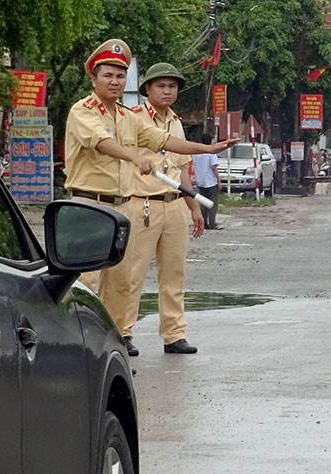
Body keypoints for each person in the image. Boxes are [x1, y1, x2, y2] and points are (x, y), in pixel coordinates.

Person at [64, 39, 238, 356]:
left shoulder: (128, 118)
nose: (115, 81)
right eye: (108, 75)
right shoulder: (83, 111)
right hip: (89, 204)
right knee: (85, 279)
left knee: (120, 281)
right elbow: (101, 143)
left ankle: (112, 342)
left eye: (120, 76)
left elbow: (165, 141)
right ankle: (71, 342)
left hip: (121, 206)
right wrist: (133, 156)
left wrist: (208, 149)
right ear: (94, 78)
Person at [124, 62, 204, 355]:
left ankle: (174, 334)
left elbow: (183, 169)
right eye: (161, 85)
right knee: (131, 273)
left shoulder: (176, 122)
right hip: (142, 204)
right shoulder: (132, 119)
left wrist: (193, 207)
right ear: (147, 89)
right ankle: (123, 332)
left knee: (174, 273)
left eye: (172, 86)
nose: (167, 91)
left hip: (173, 206)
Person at [193, 133, 222, 230]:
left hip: (201, 180)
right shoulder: (211, 152)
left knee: (203, 203)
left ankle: (204, 222)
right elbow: (214, 167)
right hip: (210, 181)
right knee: (212, 203)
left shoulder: (197, 153)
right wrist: (218, 180)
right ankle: (212, 223)